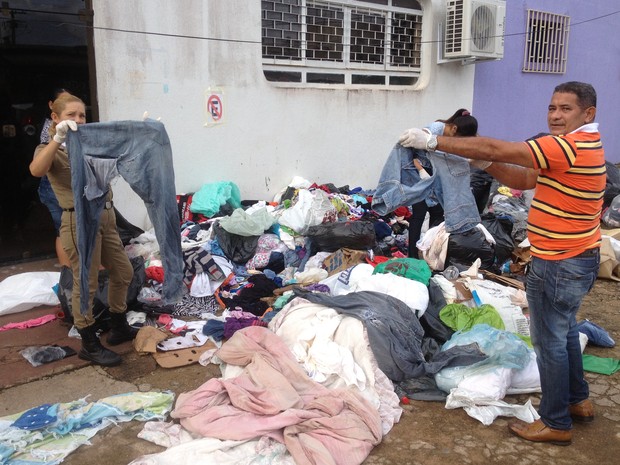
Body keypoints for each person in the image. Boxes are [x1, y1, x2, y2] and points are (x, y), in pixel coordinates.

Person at [400, 81, 605, 446]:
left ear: (587, 113)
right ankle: (578, 400)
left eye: (566, 109)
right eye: (552, 107)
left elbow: (500, 145)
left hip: (560, 262)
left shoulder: (569, 146)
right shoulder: (580, 146)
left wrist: (433, 141)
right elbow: (524, 176)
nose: (556, 115)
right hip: (573, 257)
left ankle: (555, 421)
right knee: (566, 331)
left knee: (550, 342)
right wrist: (489, 164)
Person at [29, 94, 136, 367]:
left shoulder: (89, 144)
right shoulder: (50, 148)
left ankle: (119, 325)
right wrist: (56, 140)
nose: (78, 120)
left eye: (82, 115)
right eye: (71, 115)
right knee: (85, 284)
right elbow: (36, 170)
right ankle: (89, 343)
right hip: (79, 222)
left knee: (123, 272)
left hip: (106, 217)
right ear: (55, 118)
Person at [408, 109, 479, 258]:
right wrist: (420, 170)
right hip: (420, 176)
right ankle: (413, 255)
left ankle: (430, 253)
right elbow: (411, 152)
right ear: (454, 128)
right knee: (418, 216)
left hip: (440, 178)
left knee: (438, 215)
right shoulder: (433, 130)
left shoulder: (459, 134)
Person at [38, 88, 72, 267]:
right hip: (53, 187)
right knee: (62, 231)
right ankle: (67, 275)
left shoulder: (72, 128)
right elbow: (38, 168)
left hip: (69, 189)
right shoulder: (50, 131)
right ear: (53, 109)